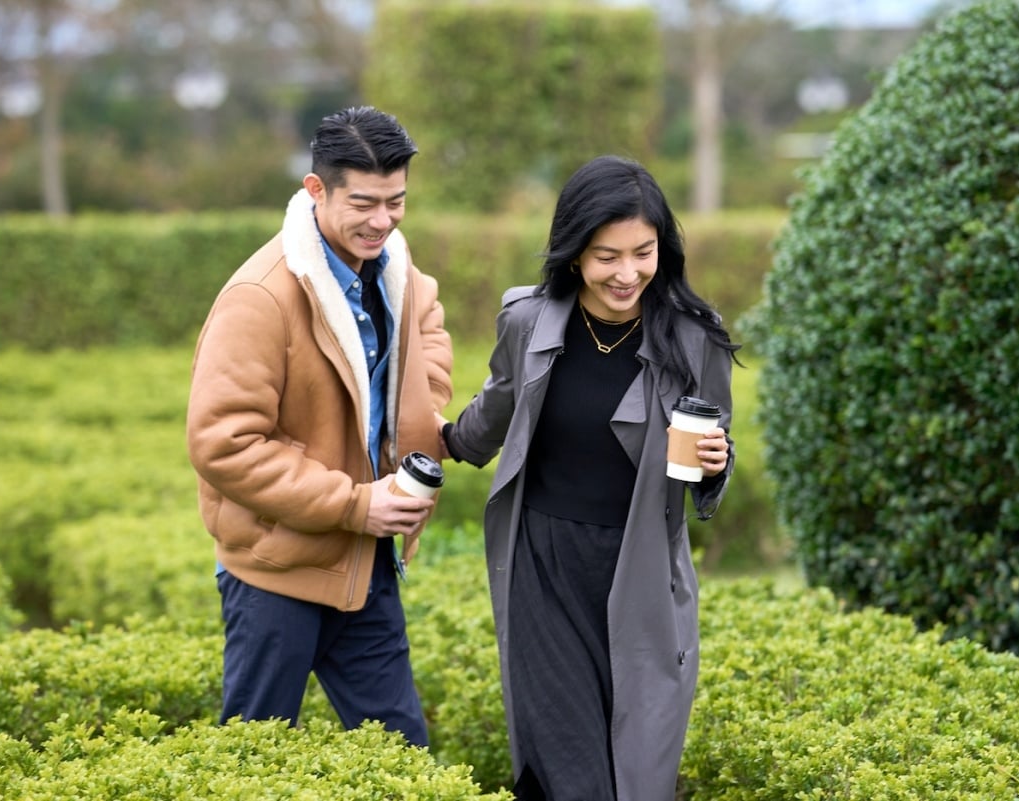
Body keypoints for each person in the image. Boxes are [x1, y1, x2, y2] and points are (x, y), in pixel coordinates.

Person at [440, 155, 741, 800]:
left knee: (636, 764)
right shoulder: (528, 323)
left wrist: (716, 467)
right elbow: (496, 409)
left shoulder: (695, 342)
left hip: (641, 574)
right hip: (544, 570)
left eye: (643, 252)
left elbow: (715, 451)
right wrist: (444, 443)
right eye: (607, 256)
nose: (627, 273)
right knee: (573, 774)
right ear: (574, 252)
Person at [186, 106, 452, 746]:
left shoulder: (396, 271)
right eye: (364, 203)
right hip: (276, 572)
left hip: (367, 565)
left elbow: (430, 339)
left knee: (403, 758)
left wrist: (418, 416)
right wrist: (354, 504)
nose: (382, 221)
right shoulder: (262, 295)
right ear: (316, 189)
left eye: (396, 202)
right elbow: (223, 443)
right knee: (252, 760)